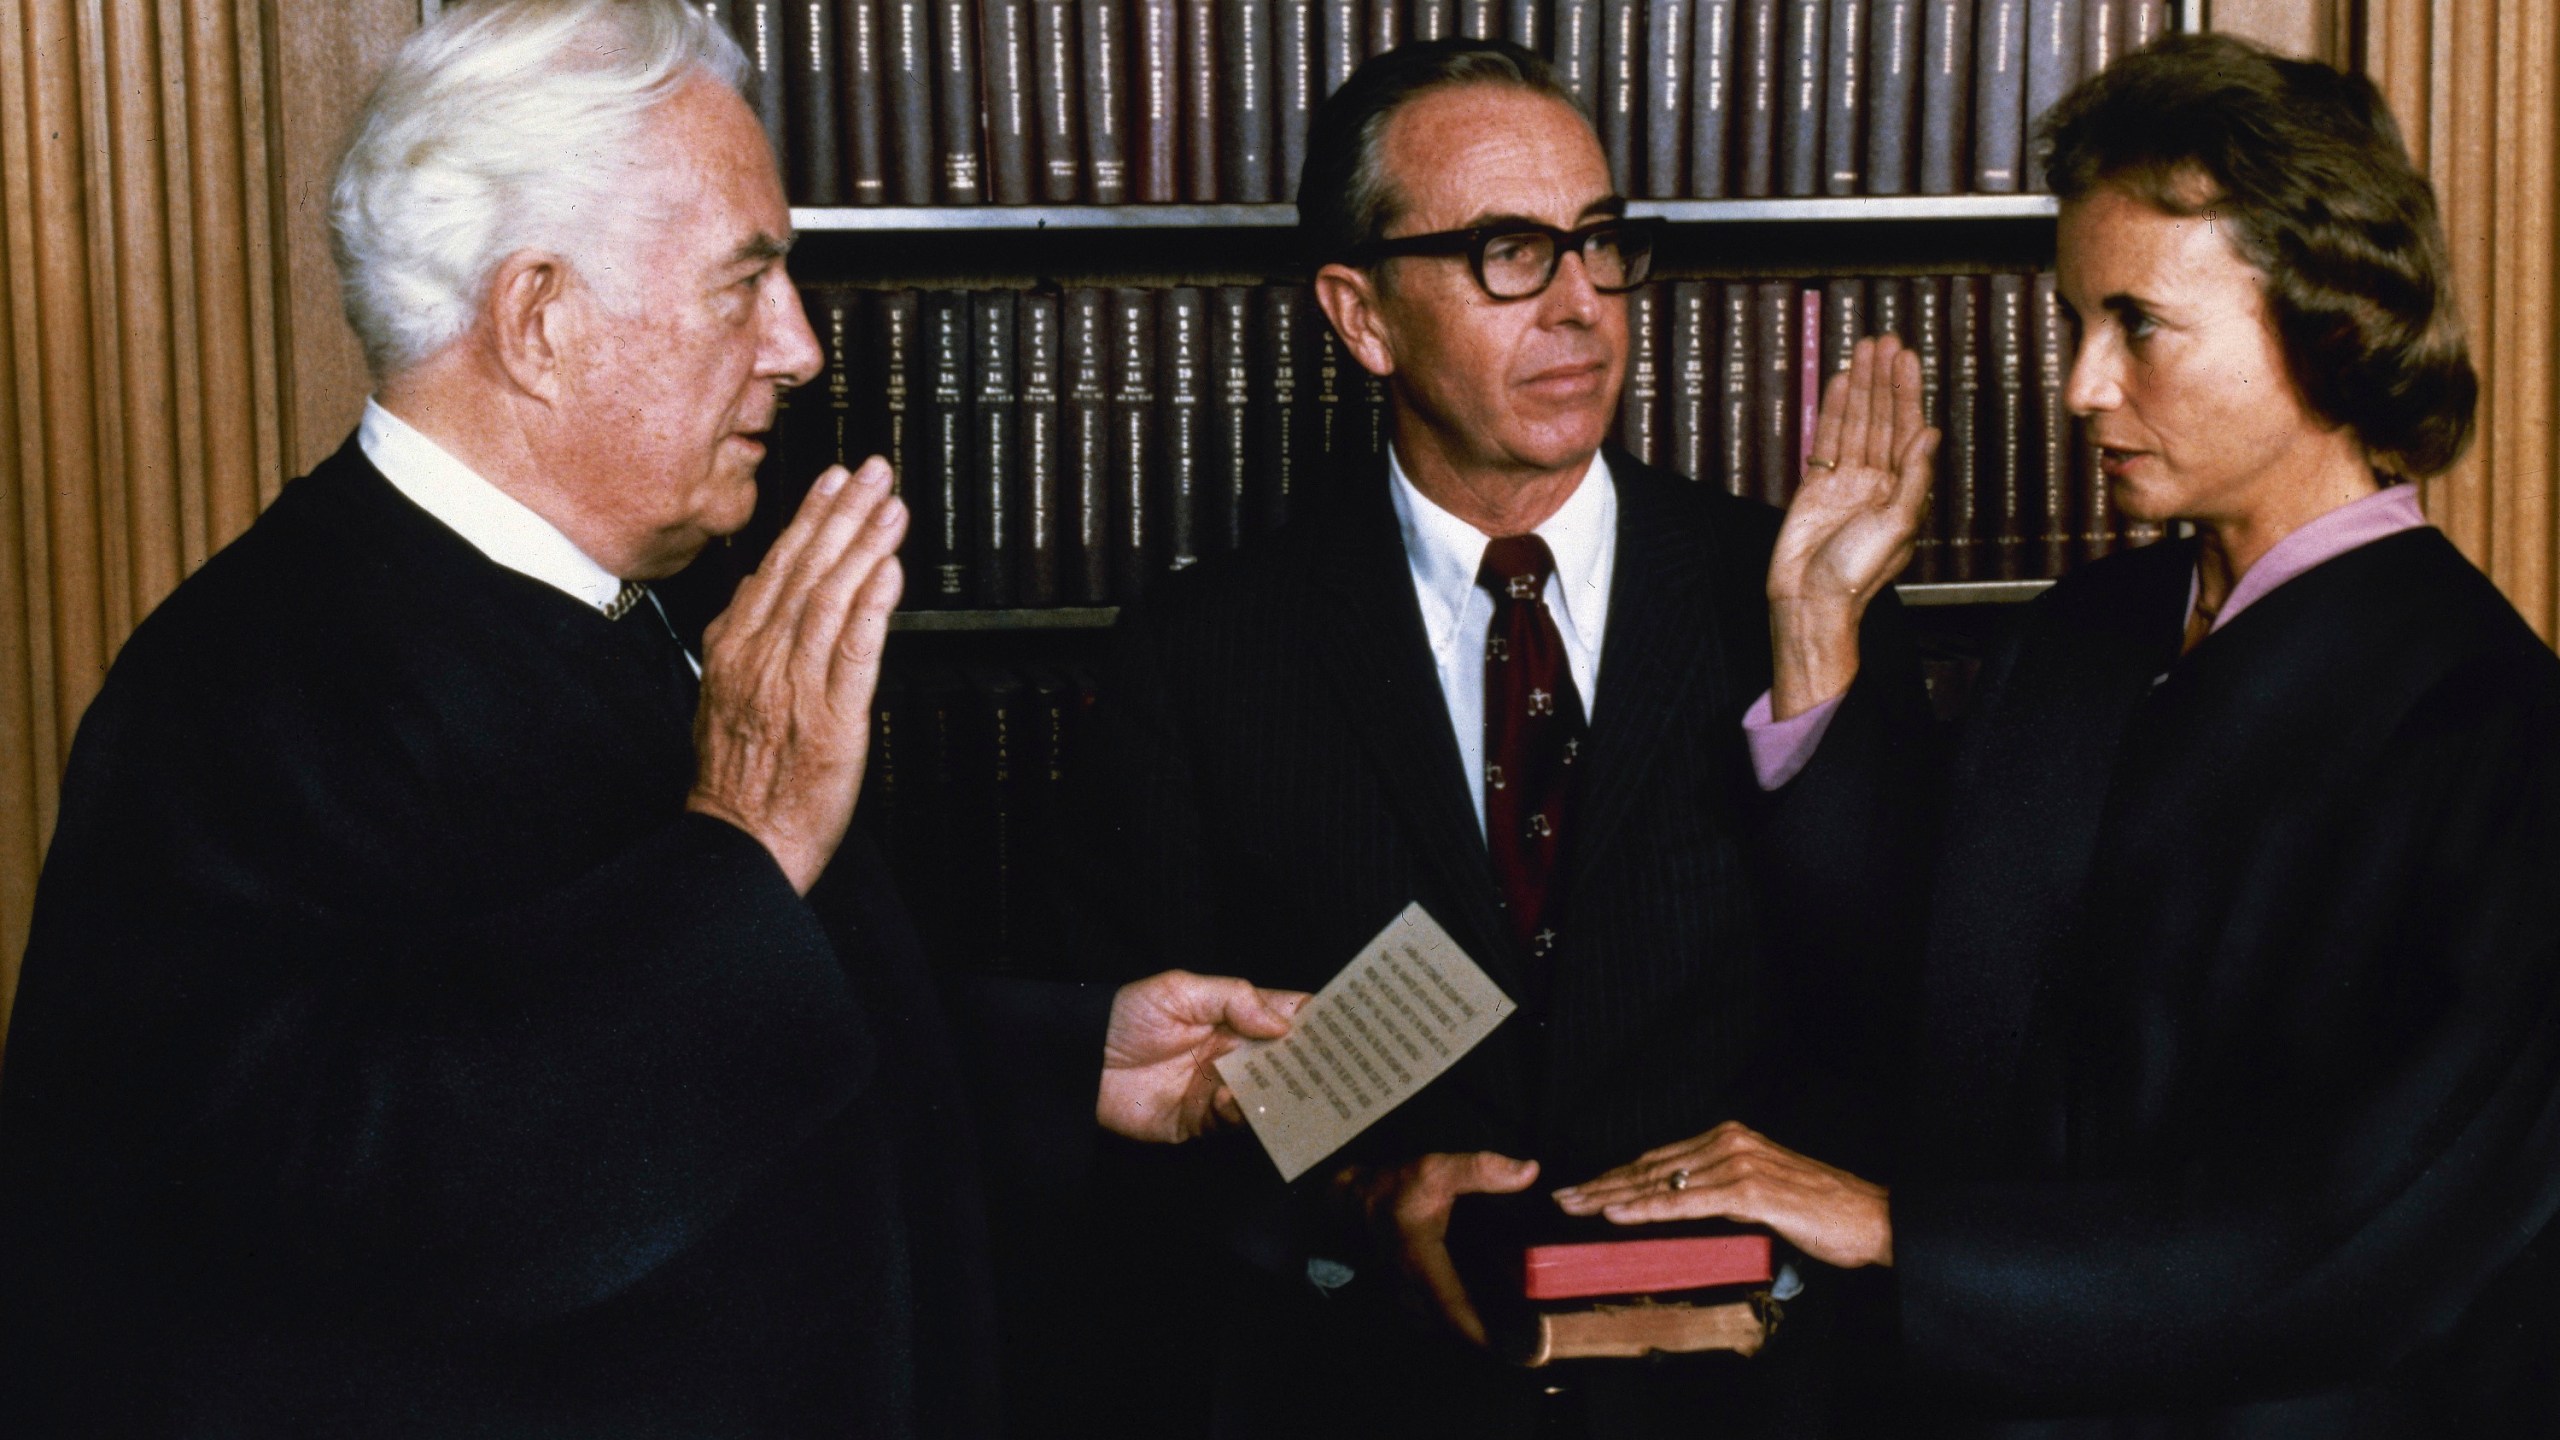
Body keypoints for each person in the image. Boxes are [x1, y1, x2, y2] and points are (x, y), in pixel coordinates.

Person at [0, 2, 1298, 1435]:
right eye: (744, 284)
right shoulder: (238, 690)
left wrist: (1065, 1066)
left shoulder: (630, 603)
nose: (800, 346)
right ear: (541, 321)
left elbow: (736, 1062)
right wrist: (738, 838)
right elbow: (360, 1218)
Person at [1555, 33, 2560, 1436]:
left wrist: (1910, 1235)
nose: (2083, 387)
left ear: (2330, 326)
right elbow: (1919, 1002)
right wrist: (1817, 624)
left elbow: (2366, 1239)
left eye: (2139, 325)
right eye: (2076, 323)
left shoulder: (2488, 724)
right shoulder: (2087, 636)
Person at [1070, 37, 1935, 1439]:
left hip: (1755, 1399)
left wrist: (1819, 649)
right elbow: (1138, 1118)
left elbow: (1911, 1023)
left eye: (1599, 244)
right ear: (1362, 316)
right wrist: (1356, 1206)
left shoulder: (1794, 590)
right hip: (1369, 1393)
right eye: (1508, 253)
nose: (1583, 306)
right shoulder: (1201, 653)